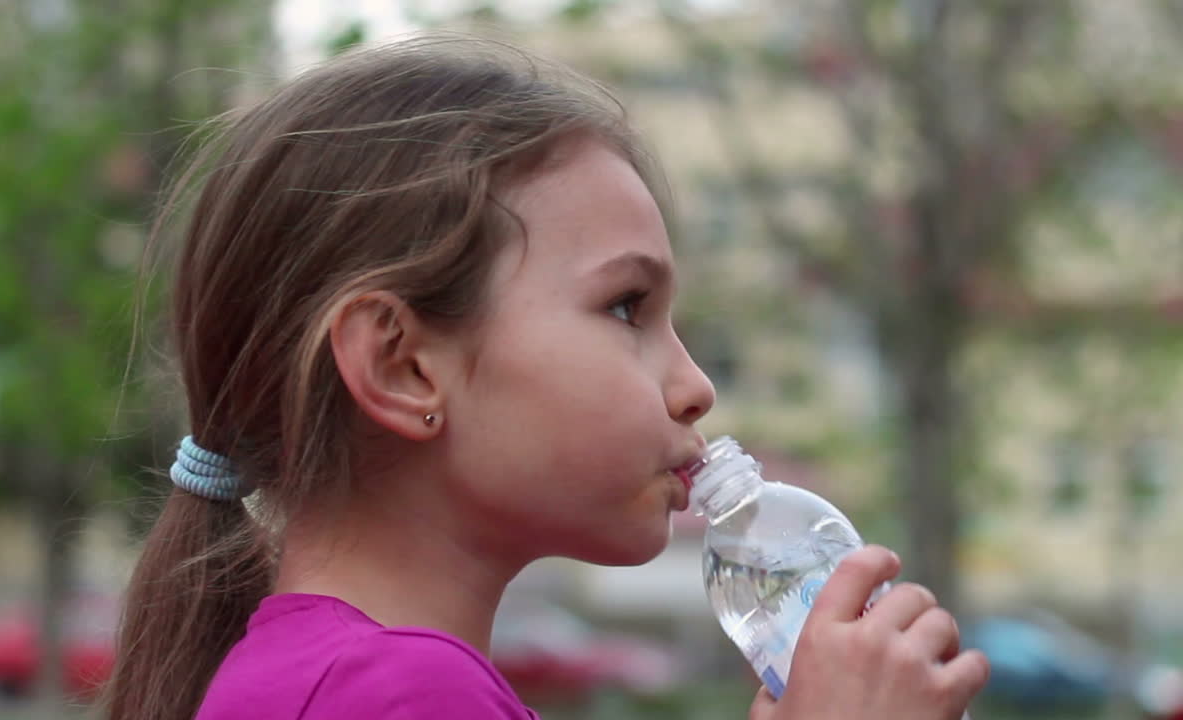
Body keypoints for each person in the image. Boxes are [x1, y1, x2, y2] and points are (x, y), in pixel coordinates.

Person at [104, 33, 989, 720]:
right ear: (403, 366)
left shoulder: (346, 678)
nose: (693, 386)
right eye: (625, 308)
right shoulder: (396, 692)